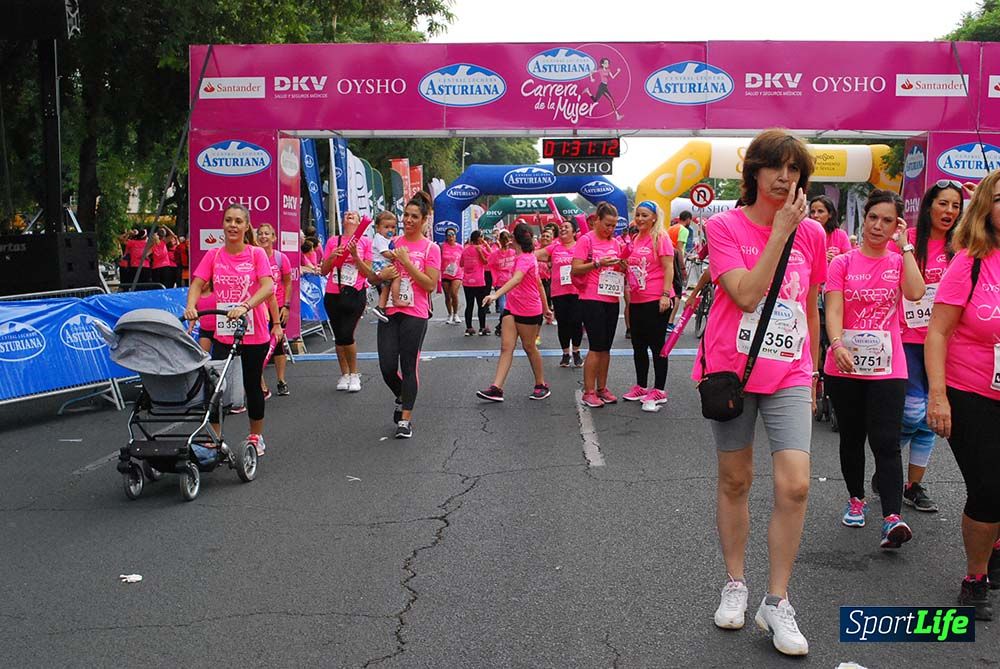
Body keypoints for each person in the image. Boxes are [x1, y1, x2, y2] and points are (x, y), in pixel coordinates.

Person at [693, 129, 824, 656]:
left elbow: (809, 303)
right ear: (754, 172)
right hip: (733, 371)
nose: (785, 178)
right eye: (775, 167)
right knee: (736, 479)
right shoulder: (722, 226)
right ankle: (735, 583)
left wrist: (812, 370)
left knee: (795, 486)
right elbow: (746, 294)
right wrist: (778, 234)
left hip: (790, 370)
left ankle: (777, 600)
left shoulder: (812, 234)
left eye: (794, 170)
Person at [824, 190, 925, 550]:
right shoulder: (843, 263)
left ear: (896, 225)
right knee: (851, 436)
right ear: (863, 219)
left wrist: (907, 246)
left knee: (886, 441)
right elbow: (833, 309)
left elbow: (915, 292)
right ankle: (855, 498)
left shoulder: (898, 262)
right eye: (873, 218)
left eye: (887, 220)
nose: (878, 226)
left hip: (888, 367)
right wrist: (836, 345)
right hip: (845, 364)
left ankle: (892, 518)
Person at [926, 169, 1000, 620]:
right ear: (987, 209)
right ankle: (975, 577)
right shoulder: (971, 260)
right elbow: (937, 331)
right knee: (988, 486)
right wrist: (938, 395)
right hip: (972, 390)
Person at [184, 203, 281, 456]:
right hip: (224, 332)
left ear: (246, 225)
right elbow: (197, 283)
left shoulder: (256, 254)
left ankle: (256, 436)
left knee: (252, 385)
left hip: (253, 330)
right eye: (229, 220)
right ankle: (215, 438)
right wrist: (191, 306)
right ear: (223, 224)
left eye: (238, 221)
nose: (233, 226)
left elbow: (268, 287)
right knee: (216, 386)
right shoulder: (214, 255)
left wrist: (246, 305)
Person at [893, 181, 963, 512]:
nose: (949, 211)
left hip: (947, 342)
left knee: (929, 420)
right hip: (908, 338)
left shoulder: (963, 247)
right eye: (943, 204)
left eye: (956, 206)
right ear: (928, 207)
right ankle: (889, 463)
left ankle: (912, 485)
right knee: (912, 412)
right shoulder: (906, 246)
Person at [376, 191, 441, 439]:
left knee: (408, 365)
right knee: (387, 366)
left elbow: (429, 285)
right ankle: (402, 394)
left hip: (416, 313)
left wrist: (408, 262)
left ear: (424, 220)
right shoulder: (393, 243)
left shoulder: (431, 248)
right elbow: (381, 275)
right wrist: (381, 276)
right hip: (391, 310)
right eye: (406, 215)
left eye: (415, 216)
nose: (409, 220)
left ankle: (405, 419)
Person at [477, 223, 553, 402]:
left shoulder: (526, 258)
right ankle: (496, 388)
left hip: (528, 308)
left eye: (512, 236)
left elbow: (518, 279)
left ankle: (541, 384)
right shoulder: (519, 255)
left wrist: (495, 294)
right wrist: (547, 308)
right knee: (506, 347)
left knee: (529, 347)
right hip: (512, 307)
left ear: (515, 239)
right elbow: (538, 283)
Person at [622, 201, 675, 413]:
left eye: (645, 215)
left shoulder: (660, 238)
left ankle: (659, 390)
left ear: (654, 217)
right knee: (638, 346)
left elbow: (668, 267)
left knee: (657, 346)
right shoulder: (636, 238)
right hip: (637, 299)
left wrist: (664, 295)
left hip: (656, 299)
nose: (641, 219)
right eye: (638, 215)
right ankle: (641, 386)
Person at [572, 202, 626, 407]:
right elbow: (575, 269)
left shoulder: (616, 243)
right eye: (607, 225)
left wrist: (622, 265)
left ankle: (602, 388)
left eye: (614, 226)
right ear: (596, 221)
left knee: (606, 348)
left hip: (612, 298)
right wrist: (597, 263)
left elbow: (620, 268)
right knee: (595, 346)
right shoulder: (586, 240)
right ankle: (589, 391)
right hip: (591, 297)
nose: (610, 229)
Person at [321, 212, 375, 393]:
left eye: (353, 215)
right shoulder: (332, 241)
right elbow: (323, 270)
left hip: (355, 291)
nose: (349, 216)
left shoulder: (365, 242)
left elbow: (369, 273)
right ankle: (344, 373)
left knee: (347, 333)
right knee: (338, 335)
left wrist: (355, 256)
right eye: (346, 215)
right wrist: (332, 257)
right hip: (333, 292)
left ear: (360, 222)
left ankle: (354, 373)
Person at [535, 218, 584, 367]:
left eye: (566, 227)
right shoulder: (554, 248)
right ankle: (565, 353)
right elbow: (535, 255)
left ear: (574, 232)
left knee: (576, 322)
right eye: (561, 227)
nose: (562, 229)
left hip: (577, 290)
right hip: (559, 292)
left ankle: (576, 351)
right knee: (563, 323)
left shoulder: (580, 247)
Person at [256, 223, 292, 397]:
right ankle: (261, 384)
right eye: (260, 233)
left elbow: (287, 282)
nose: (263, 236)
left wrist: (286, 305)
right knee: (258, 346)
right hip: (258, 308)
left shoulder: (280, 258)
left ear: (274, 238)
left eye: (267, 234)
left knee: (278, 345)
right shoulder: (253, 256)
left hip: (277, 307)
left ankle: (281, 380)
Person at [371, 211, 400, 323]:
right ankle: (395, 300)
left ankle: (381, 307)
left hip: (382, 264)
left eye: (393, 227)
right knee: (396, 277)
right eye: (386, 227)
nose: (390, 230)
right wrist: (397, 255)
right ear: (378, 228)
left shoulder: (387, 239)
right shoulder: (379, 238)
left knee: (386, 287)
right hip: (380, 264)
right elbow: (385, 253)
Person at [461, 230, 491, 336]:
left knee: (469, 305)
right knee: (481, 305)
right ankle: (482, 328)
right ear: (479, 238)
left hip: (467, 282)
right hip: (479, 281)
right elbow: (488, 259)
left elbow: (461, 263)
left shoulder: (465, 250)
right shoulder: (480, 248)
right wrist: (485, 245)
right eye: (482, 237)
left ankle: (469, 328)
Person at [489, 230, 517, 335]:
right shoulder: (495, 254)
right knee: (502, 307)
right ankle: (502, 324)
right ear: (500, 240)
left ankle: (502, 326)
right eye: (503, 239)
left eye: (507, 239)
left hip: (512, 283)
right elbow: (491, 266)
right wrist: (495, 279)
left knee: (511, 306)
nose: (505, 242)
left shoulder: (513, 252)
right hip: (500, 283)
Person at [440, 228, 464, 324]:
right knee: (447, 295)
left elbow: (463, 260)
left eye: (453, 235)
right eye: (449, 235)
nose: (451, 237)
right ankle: (449, 314)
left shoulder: (460, 247)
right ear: (446, 236)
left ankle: (456, 314)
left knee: (454, 293)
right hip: (445, 274)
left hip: (457, 274)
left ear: (455, 236)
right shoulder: (442, 247)